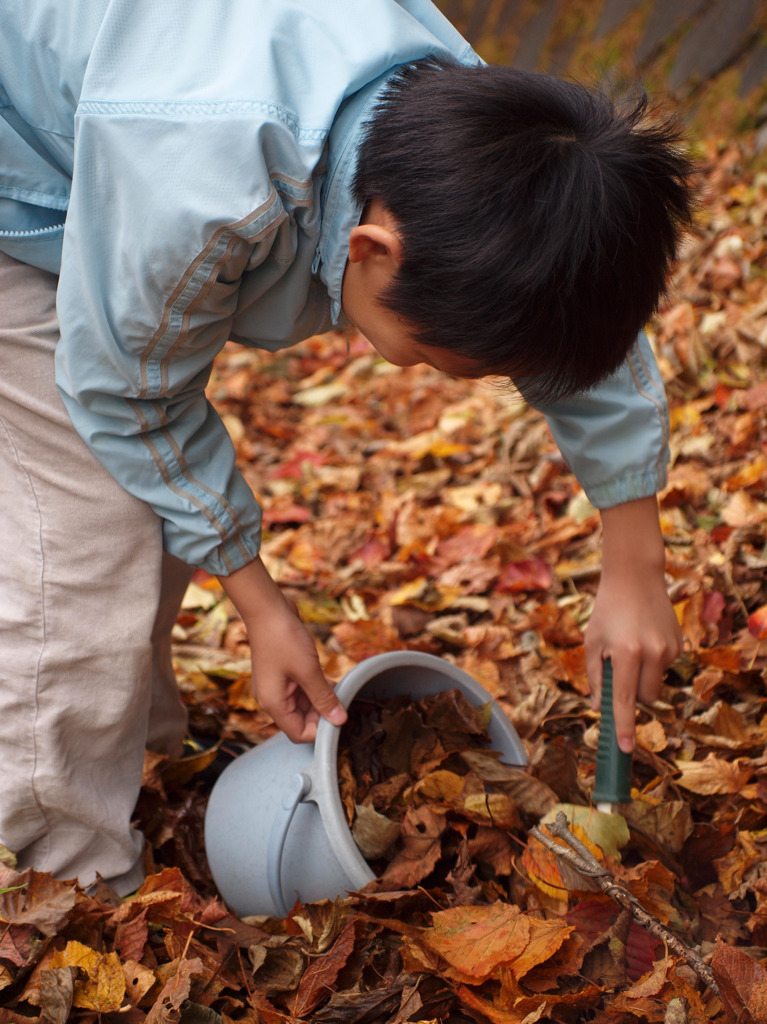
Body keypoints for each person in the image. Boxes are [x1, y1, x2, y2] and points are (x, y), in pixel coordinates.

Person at [0, 0, 695, 894]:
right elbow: (126, 393)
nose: (454, 375)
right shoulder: (198, 171)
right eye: (442, 361)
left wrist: (633, 558)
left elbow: (568, 295)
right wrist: (261, 605)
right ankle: (51, 871)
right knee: (93, 519)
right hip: (25, 185)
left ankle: (125, 746)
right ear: (373, 250)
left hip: (121, 144)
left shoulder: (493, 135)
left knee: (147, 503)